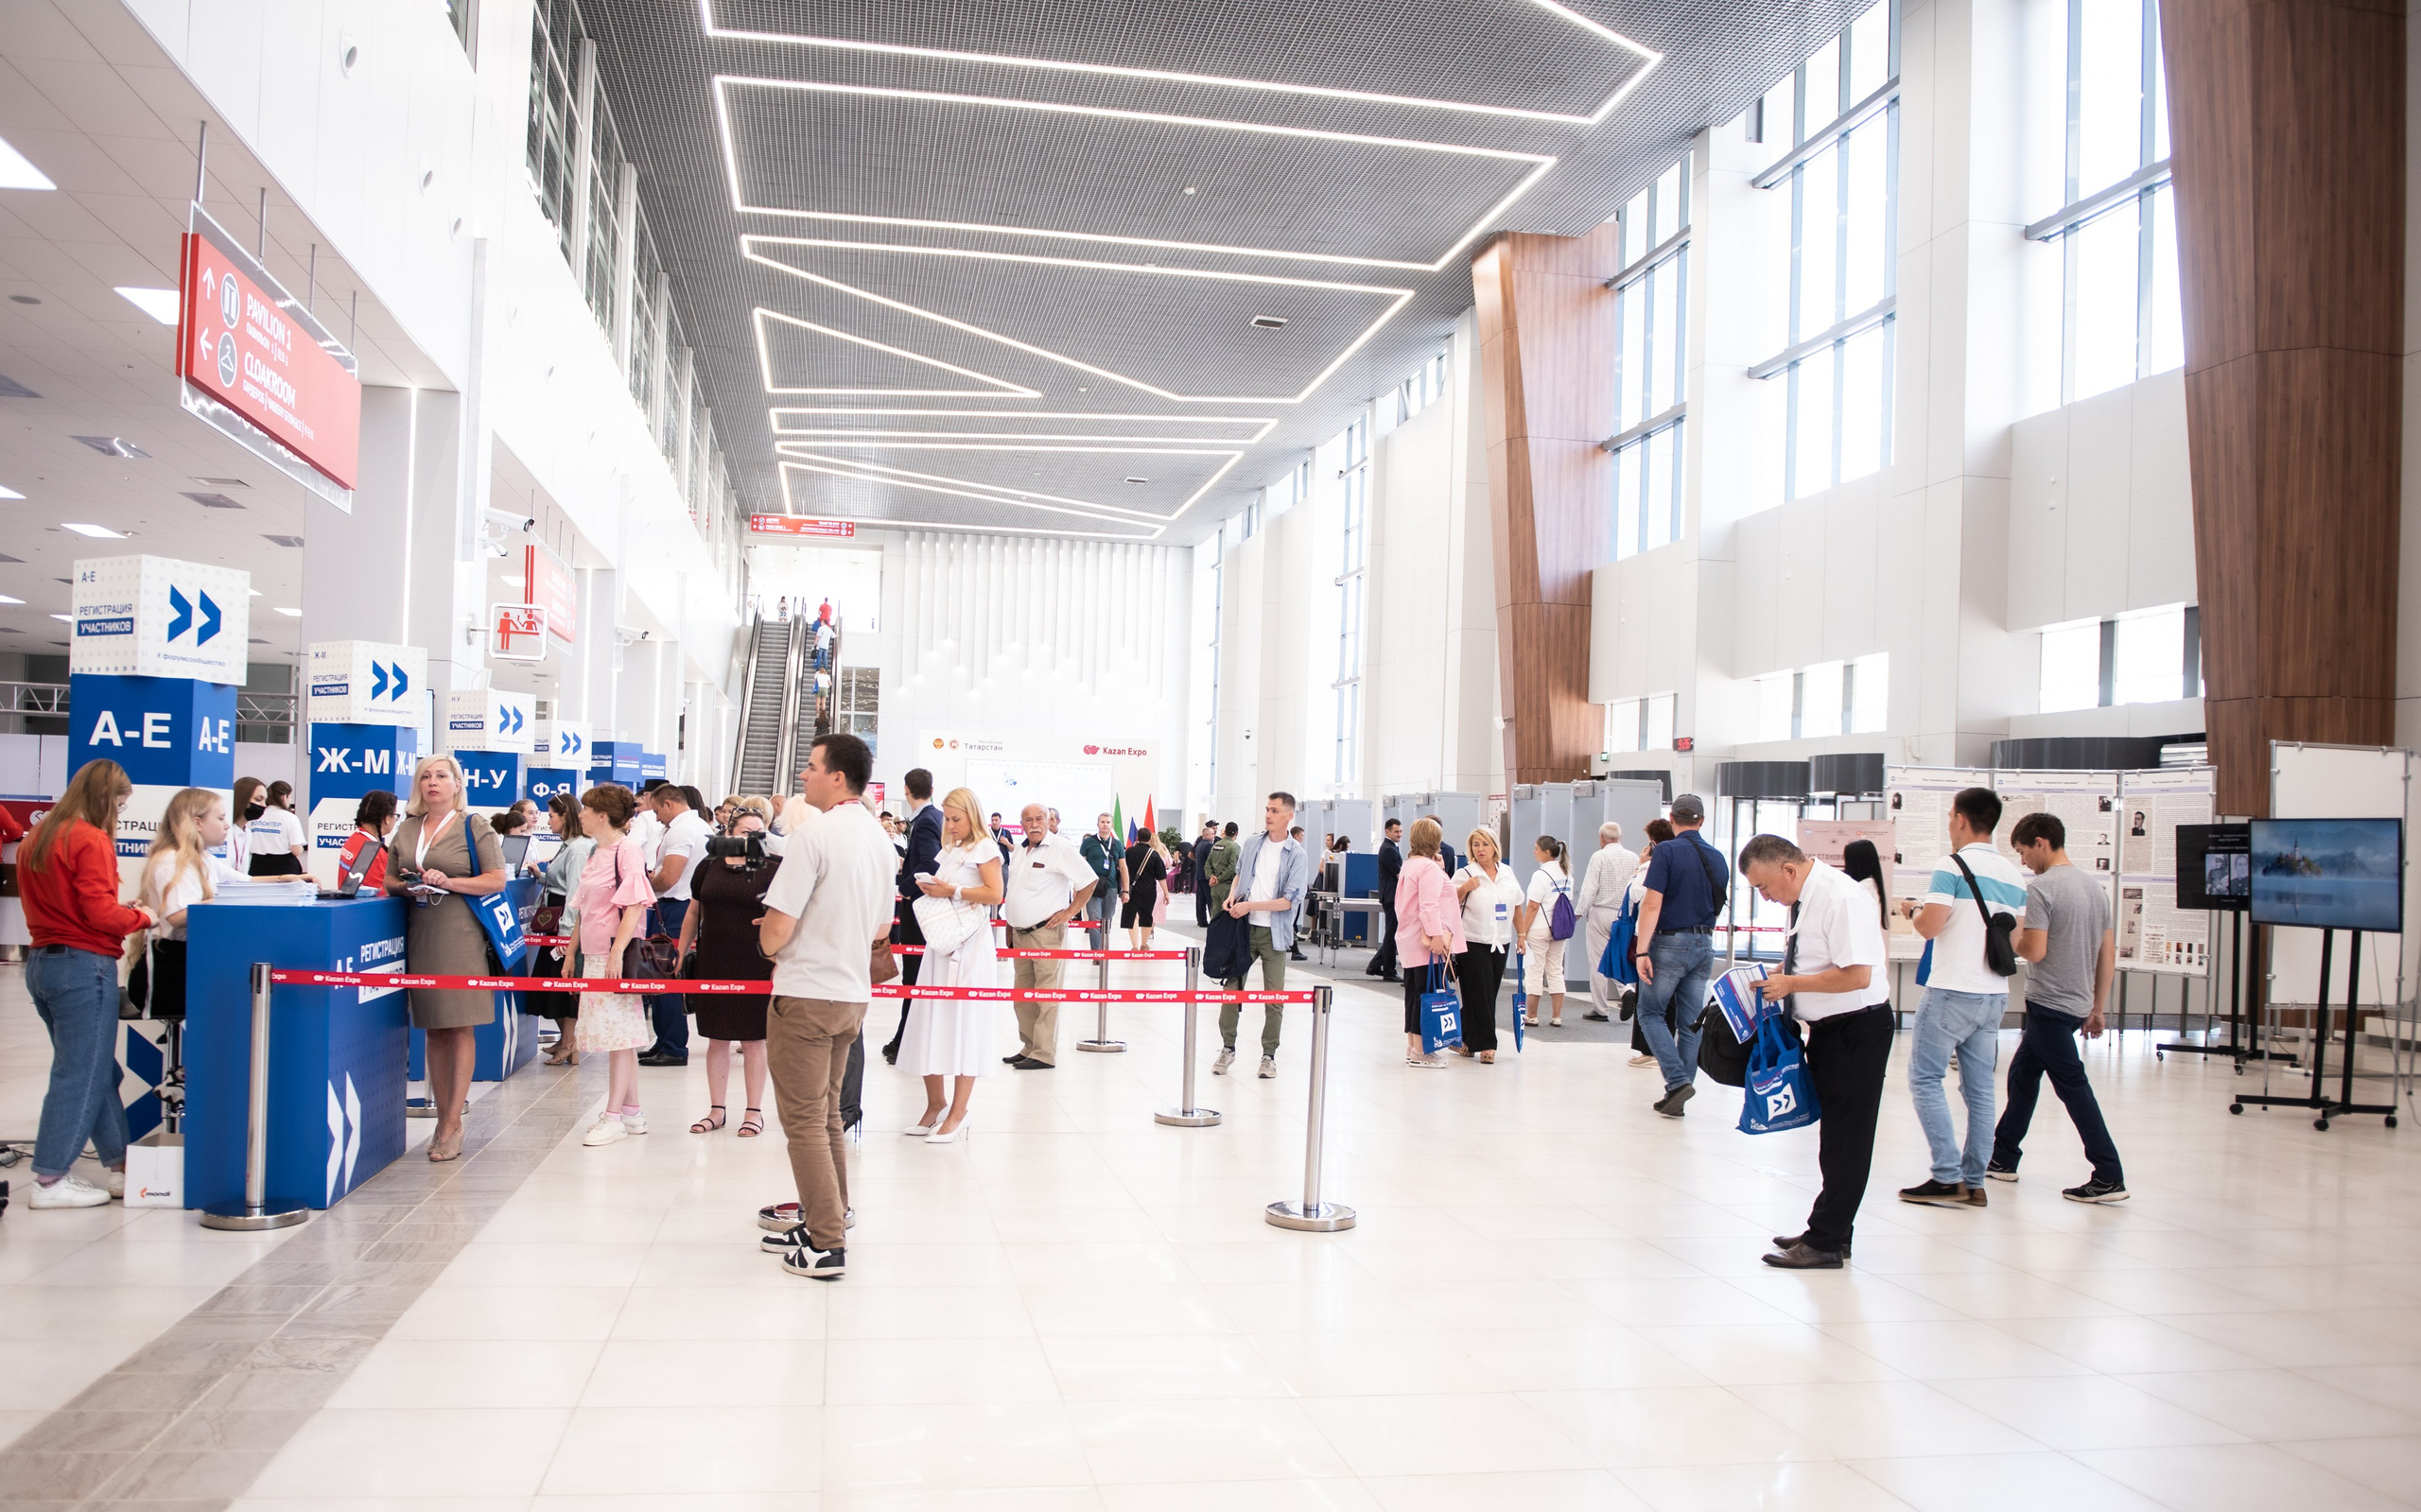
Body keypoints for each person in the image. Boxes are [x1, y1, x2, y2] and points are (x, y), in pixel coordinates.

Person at [753, 738, 894, 1279]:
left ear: (837, 777)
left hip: (807, 992)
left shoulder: (811, 837)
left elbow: (779, 928)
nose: (804, 775)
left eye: (811, 767)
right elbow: (881, 928)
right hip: (851, 994)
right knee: (828, 1114)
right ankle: (827, 1215)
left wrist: (768, 943)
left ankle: (826, 1243)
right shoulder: (880, 841)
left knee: (805, 1120)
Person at [1735, 834, 1894, 1270]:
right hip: (1830, 1030)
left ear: (1788, 869)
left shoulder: (1841, 897)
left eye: (1765, 887)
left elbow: (1858, 975)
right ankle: (1831, 1229)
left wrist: (1792, 985)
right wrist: (1778, 974)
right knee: (1835, 1139)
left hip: (1858, 1029)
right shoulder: (1807, 897)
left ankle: (1825, 1242)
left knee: (1848, 1139)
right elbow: (1820, 958)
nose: (1765, 898)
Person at [18, 759, 157, 1208]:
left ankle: (119, 1166)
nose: (119, 813)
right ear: (104, 798)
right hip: (83, 967)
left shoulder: (37, 836)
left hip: (42, 964)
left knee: (99, 1070)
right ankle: (50, 1178)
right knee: (80, 1074)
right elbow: (100, 915)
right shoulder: (90, 839)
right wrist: (142, 916)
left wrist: (118, 908)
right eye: (119, 804)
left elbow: (76, 906)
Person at [1990, 812, 2127, 1202]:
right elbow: (2107, 953)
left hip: (2049, 1003)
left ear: (2040, 842)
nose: (2023, 862)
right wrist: (2097, 1007)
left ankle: (2109, 1173)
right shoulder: (2093, 888)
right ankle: (2003, 1157)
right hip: (2075, 1002)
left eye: (2022, 852)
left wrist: (2004, 932)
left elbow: (2034, 949)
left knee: (2073, 1087)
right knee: (2022, 1074)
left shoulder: (2042, 889)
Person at [1899, 786, 2026, 1207]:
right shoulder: (2013, 873)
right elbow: (2018, 938)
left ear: (1960, 819)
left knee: (1924, 1077)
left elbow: (1930, 927)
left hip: (1953, 989)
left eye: (1951, 815)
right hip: (1994, 994)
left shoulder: (1951, 865)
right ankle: (1974, 1182)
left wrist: (1913, 910)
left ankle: (1947, 1176)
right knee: (1981, 1090)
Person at [385, 755, 513, 1161]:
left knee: (459, 1027)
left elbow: (496, 879)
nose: (433, 782)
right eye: (426, 776)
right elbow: (387, 877)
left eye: (442, 776)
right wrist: (408, 887)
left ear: (457, 784)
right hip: (421, 932)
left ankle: (452, 1122)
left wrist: (449, 881)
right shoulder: (407, 828)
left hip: (460, 933)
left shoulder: (474, 826)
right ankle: (443, 1116)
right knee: (434, 1029)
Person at [900, 787, 1003, 1138]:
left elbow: (994, 894)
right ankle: (935, 1105)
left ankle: (959, 1113)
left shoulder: (986, 848)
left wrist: (953, 891)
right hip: (942, 942)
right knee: (932, 1017)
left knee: (965, 1022)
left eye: (956, 818)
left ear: (971, 815)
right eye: (947, 817)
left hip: (970, 945)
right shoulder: (951, 849)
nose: (950, 824)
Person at [678, 800, 779, 1137]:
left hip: (756, 960)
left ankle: (753, 1111)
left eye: (758, 832)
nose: (752, 837)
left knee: (753, 1039)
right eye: (745, 832)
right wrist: (681, 952)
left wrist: (782, 959)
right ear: (730, 833)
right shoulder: (710, 866)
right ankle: (716, 1109)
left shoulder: (773, 868)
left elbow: (786, 918)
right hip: (714, 958)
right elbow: (694, 912)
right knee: (716, 1037)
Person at [1632, 792, 1730, 1118]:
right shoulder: (1717, 857)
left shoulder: (1667, 852)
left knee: (1650, 1013)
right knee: (1691, 1022)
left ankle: (1677, 1082)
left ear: (1671, 819)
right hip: (1705, 944)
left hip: (1670, 943)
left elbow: (1652, 903)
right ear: (1701, 821)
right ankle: (1680, 1092)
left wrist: (1642, 949)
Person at [569, 785, 655, 1145]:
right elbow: (583, 908)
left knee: (618, 1036)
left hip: (612, 955)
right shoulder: (596, 852)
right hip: (594, 953)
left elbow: (635, 905)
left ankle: (614, 1115)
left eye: (587, 809)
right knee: (619, 1034)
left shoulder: (627, 850)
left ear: (602, 815)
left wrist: (617, 952)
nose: (581, 814)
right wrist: (571, 953)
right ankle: (632, 1111)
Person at [138, 787, 260, 1023]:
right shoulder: (171, 860)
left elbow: (247, 882)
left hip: (191, 961)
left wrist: (288, 880)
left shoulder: (204, 859)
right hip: (170, 970)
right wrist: (223, 901)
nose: (227, 826)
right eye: (221, 818)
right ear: (197, 823)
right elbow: (177, 916)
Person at [1216, 792, 1310, 1078]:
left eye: (1275, 811)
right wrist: (1232, 897)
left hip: (1274, 934)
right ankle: (1227, 1047)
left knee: (1274, 997)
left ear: (1289, 815)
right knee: (1231, 989)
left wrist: (1250, 905)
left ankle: (1269, 1055)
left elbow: (1288, 901)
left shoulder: (1297, 854)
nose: (1268, 815)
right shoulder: (1252, 842)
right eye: (1267, 809)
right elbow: (1238, 874)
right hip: (1243, 930)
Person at [1000, 801, 1097, 1070]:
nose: (1034, 824)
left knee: (1046, 994)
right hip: (1019, 934)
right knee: (1022, 995)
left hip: (1046, 933)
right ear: (1021, 824)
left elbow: (1088, 880)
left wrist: (1070, 912)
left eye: (1039, 818)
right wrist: (1010, 923)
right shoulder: (1019, 850)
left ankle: (1043, 1054)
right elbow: (1015, 890)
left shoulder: (1060, 848)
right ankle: (1029, 1046)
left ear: (1049, 820)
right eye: (1028, 819)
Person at [639, 784, 713, 1068]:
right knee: (663, 976)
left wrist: (644, 883)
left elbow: (669, 877)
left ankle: (671, 1046)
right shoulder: (698, 826)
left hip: (674, 907)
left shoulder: (682, 831)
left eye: (657, 810)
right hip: (680, 906)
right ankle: (665, 1041)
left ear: (669, 804)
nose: (657, 817)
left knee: (664, 977)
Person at [882, 768, 944, 1066]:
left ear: (906, 789)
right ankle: (904, 1036)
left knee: (914, 976)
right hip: (922, 910)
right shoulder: (931, 818)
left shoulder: (925, 822)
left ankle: (907, 1039)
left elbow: (930, 862)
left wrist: (905, 889)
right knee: (915, 976)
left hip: (919, 911)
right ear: (931, 788)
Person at [1395, 817, 1465, 1068]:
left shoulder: (1411, 865)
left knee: (1415, 995)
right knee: (1426, 995)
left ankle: (1414, 1046)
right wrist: (1437, 936)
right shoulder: (1428, 869)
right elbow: (1429, 906)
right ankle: (1424, 1051)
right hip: (1426, 942)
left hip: (1410, 939)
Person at [1452, 829, 1524, 1061]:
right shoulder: (1465, 873)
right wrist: (1465, 889)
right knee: (1480, 994)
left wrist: (1521, 934)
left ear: (1494, 847)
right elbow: (1448, 902)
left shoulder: (1507, 873)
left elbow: (1517, 905)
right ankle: (1487, 1045)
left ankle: (1465, 1038)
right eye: (1475, 845)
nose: (1480, 849)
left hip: (1499, 942)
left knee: (1485, 995)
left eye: (1484, 844)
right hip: (1472, 942)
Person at [533, 791, 593, 1066]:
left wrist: (567, 936)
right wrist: (541, 875)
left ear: (565, 815)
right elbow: (561, 881)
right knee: (554, 984)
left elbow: (574, 894)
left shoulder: (579, 848)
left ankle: (570, 1042)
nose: (548, 821)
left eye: (551, 815)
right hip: (557, 920)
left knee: (563, 983)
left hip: (564, 923)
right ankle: (566, 1039)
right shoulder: (568, 845)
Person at [1573, 822, 1636, 1021]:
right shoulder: (1634, 857)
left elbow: (1590, 887)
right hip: (1624, 915)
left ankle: (1600, 1009)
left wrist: (1579, 912)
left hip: (1601, 912)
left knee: (1598, 961)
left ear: (1602, 839)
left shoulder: (1598, 857)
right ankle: (1626, 989)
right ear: (1620, 837)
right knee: (1620, 957)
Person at [1623, 820, 1674, 1067]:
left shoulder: (1652, 866)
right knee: (1672, 998)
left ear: (1653, 842)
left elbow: (1636, 897)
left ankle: (1649, 1051)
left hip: (1651, 937)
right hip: (1678, 936)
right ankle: (1667, 1050)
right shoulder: (1685, 860)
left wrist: (1639, 868)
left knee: (1649, 997)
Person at [1517, 836, 1574, 1028]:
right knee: (1556, 971)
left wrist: (1522, 933)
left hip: (1539, 928)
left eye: (1536, 849)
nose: (1534, 852)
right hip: (1560, 929)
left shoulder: (1540, 876)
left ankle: (1532, 1015)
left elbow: (1532, 906)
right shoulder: (1567, 873)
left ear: (1546, 852)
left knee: (1534, 971)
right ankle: (1556, 1016)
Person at [245, 778, 307, 876]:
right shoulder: (290, 818)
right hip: (285, 868)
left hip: (257, 866)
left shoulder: (254, 816)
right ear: (284, 797)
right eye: (290, 797)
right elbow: (297, 850)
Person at [1367, 817, 1404, 983]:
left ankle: (1375, 965)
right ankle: (1388, 971)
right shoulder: (1388, 849)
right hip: (1391, 896)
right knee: (1392, 934)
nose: (1399, 834)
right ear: (1387, 831)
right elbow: (1399, 873)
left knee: (1392, 932)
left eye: (1401, 831)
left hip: (1391, 895)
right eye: (1396, 831)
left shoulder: (1391, 848)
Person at [340, 790, 397, 892]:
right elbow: (382, 894)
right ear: (387, 818)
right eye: (395, 815)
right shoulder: (373, 852)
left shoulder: (354, 840)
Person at [1121, 826, 1167, 950]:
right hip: (1149, 889)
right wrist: (1166, 893)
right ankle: (1143, 945)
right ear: (1149, 838)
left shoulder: (1129, 852)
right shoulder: (1154, 854)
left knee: (1133, 916)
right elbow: (1161, 876)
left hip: (1131, 889)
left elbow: (1121, 869)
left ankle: (1134, 946)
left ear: (1137, 837)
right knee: (1146, 916)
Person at [1080, 812, 1123, 931]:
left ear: (1112, 825)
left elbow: (1123, 868)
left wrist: (1126, 890)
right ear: (1097, 824)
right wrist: (1077, 887)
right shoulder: (1088, 842)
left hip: (1111, 886)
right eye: (1102, 822)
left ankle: (1104, 949)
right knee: (1094, 920)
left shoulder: (1117, 844)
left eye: (1108, 822)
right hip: (1093, 886)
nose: (1105, 824)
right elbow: (1081, 866)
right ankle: (1096, 950)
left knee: (1107, 920)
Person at [226, 775, 266, 872]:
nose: (264, 805)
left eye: (265, 800)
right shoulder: (225, 831)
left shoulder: (248, 833)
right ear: (243, 798)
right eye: (258, 799)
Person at [1207, 821, 1241, 912]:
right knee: (1225, 913)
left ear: (1225, 832)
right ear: (1237, 833)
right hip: (1227, 886)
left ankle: (1213, 926)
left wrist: (1211, 876)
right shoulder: (1234, 847)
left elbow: (1208, 863)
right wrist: (1220, 878)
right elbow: (1233, 867)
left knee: (1215, 912)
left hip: (1215, 886)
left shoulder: (1216, 845)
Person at [1193, 821, 1220, 929]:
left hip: (1199, 876)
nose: (1214, 836)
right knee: (1210, 899)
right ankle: (1213, 920)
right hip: (1206, 876)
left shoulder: (1199, 845)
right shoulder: (1208, 846)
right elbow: (1211, 861)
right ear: (1206, 835)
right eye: (1212, 834)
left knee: (1201, 900)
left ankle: (1202, 920)